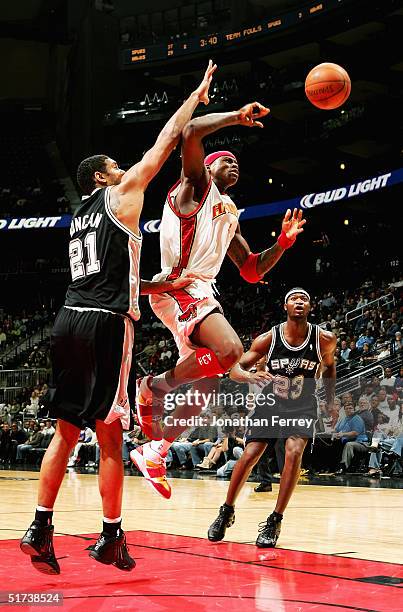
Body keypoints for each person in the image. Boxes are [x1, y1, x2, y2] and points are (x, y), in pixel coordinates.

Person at [19, 61, 217, 575]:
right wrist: (194, 98)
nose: (123, 167)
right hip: (107, 323)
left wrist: (155, 284)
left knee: (65, 429)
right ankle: (109, 536)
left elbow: (113, 270)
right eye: (115, 165)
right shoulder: (122, 194)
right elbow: (168, 140)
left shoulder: (77, 218)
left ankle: (42, 527)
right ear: (103, 176)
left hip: (68, 316)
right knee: (110, 433)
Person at [132, 105, 306, 499]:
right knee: (231, 350)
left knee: (207, 387)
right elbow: (191, 129)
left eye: (237, 161)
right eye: (226, 159)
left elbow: (250, 269)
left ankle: (154, 451)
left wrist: (282, 243)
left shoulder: (228, 212)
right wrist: (236, 118)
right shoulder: (194, 188)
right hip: (177, 286)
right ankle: (152, 387)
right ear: (207, 168)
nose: (234, 164)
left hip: (198, 291)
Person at [207, 288, 336, 547]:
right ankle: (226, 510)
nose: (299, 302)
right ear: (285, 306)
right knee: (250, 453)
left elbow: (330, 366)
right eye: (293, 299)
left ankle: (275, 519)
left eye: (305, 299)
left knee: (293, 451)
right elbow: (235, 370)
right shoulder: (268, 339)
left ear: (310, 307)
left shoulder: (324, 339)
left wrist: (330, 401)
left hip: (302, 406)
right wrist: (251, 376)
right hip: (271, 404)